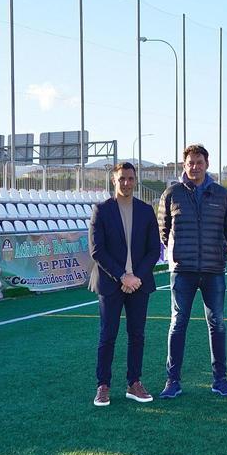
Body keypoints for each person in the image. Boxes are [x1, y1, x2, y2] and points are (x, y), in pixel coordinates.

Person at [158, 143, 227, 398]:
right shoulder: (171, 194)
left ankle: (220, 380)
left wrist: (216, 252)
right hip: (183, 271)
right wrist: (181, 254)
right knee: (178, 323)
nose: (195, 167)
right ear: (184, 165)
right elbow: (164, 230)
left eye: (199, 162)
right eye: (190, 163)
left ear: (207, 164)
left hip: (214, 270)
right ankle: (173, 381)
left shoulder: (222, 195)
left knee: (218, 324)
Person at [88, 162, 161, 407]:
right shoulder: (101, 210)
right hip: (111, 283)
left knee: (137, 335)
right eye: (122, 179)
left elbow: (154, 249)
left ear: (135, 180)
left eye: (130, 178)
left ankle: (134, 383)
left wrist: (136, 276)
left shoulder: (146, 210)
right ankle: (103, 385)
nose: (126, 183)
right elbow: (97, 250)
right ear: (113, 181)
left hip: (139, 283)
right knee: (108, 335)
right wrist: (122, 276)